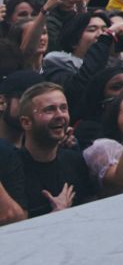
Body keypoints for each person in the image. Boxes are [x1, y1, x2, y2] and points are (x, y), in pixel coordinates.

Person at [16, 81, 98, 217]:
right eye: (49, 109)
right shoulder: (12, 168)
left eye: (63, 108)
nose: (60, 115)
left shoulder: (74, 160)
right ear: (26, 122)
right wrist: (56, 215)